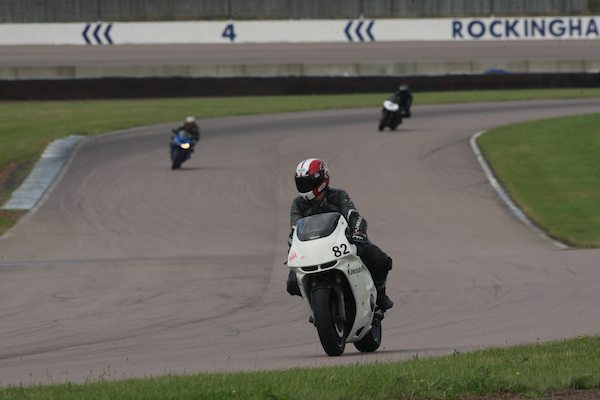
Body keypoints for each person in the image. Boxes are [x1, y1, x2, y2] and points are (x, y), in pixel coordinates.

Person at [286, 158, 394, 311]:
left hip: (343, 242)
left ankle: (380, 293)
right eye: (301, 182)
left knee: (380, 259)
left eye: (308, 182)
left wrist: (358, 233)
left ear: (322, 180)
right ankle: (318, 305)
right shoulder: (298, 204)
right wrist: (293, 247)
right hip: (312, 249)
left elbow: (353, 216)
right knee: (292, 283)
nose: (304, 186)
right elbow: (295, 229)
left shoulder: (339, 195)